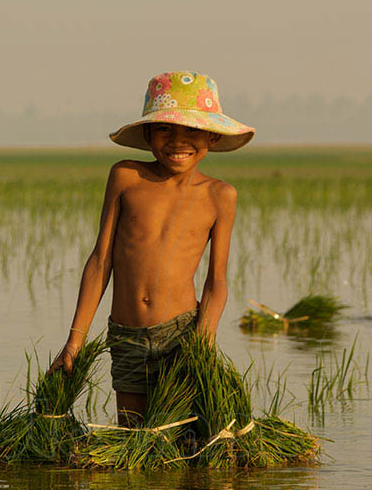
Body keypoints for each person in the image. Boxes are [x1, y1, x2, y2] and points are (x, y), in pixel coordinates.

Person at [48, 71, 255, 426]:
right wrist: (74, 342)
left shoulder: (220, 196)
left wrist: (202, 344)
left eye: (192, 131)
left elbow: (216, 282)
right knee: (134, 437)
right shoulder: (126, 177)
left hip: (182, 336)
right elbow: (100, 261)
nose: (178, 142)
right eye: (165, 130)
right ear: (147, 134)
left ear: (212, 137)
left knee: (180, 436)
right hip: (126, 334)